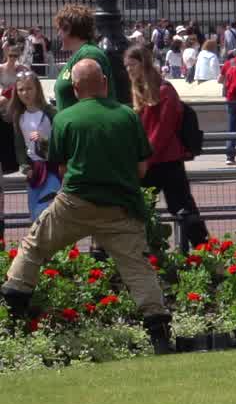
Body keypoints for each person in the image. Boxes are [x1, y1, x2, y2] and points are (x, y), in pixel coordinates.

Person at [3, 59, 173, 353]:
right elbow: (142, 167)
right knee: (137, 268)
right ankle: (159, 335)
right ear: (105, 83)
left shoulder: (66, 118)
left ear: (76, 88)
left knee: (33, 247)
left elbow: (60, 167)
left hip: (75, 204)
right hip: (120, 206)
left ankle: (16, 310)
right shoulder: (126, 116)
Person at [126, 44, 210, 250]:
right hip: (152, 160)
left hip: (166, 160)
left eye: (132, 65)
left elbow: (162, 130)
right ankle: (151, 251)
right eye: (126, 66)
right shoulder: (140, 90)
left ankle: (205, 252)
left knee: (184, 209)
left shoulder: (165, 91)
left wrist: (145, 158)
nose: (129, 70)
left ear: (143, 64)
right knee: (143, 211)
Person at [6, 70, 61, 219]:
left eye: (29, 88)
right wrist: (25, 166)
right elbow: (19, 146)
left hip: (52, 169)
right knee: (34, 216)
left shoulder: (51, 112)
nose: (25, 93)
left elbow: (62, 142)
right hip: (34, 172)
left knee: (42, 211)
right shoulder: (19, 116)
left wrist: (44, 140)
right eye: (21, 90)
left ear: (37, 88)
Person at [51, 4, 121, 110]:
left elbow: (93, 104)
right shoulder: (80, 54)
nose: (58, 34)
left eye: (59, 29)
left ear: (68, 28)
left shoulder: (89, 54)